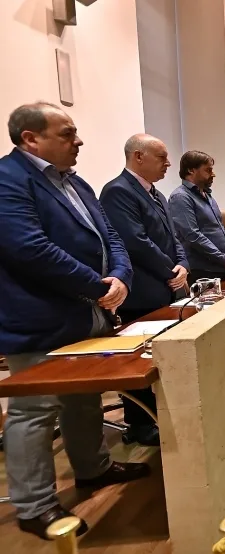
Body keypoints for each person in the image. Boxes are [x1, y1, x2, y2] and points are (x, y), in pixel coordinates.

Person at [0, 102, 149, 539]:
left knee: (84, 398)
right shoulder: (9, 181)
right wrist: (98, 285)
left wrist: (120, 276)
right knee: (36, 411)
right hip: (39, 318)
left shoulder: (77, 183)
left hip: (88, 312)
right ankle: (34, 505)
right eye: (67, 133)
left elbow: (112, 238)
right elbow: (28, 249)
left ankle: (94, 468)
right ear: (31, 138)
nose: (78, 141)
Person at [100, 134, 188, 447]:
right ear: (139, 156)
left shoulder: (156, 193)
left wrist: (183, 265)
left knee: (160, 357)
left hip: (166, 285)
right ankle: (139, 424)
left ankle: (157, 416)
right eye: (162, 157)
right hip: (143, 291)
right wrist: (170, 272)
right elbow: (135, 242)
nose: (168, 164)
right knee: (139, 360)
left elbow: (174, 237)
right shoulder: (118, 191)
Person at [168, 151, 225, 282]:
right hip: (202, 270)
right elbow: (192, 235)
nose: (213, 174)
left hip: (221, 266)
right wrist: (224, 259)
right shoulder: (181, 197)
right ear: (191, 170)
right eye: (208, 170)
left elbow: (220, 228)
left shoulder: (207, 195)